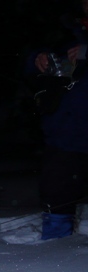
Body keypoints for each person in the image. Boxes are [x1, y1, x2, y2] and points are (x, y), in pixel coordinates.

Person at [30, 0, 88, 240]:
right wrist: (37, 59)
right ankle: (53, 257)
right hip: (65, 137)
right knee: (57, 202)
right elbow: (28, 57)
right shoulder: (66, 28)